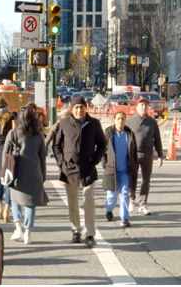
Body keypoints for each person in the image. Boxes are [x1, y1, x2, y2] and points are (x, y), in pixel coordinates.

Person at [52, 96, 106, 248]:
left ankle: (90, 233)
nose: (79, 110)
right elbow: (56, 145)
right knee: (73, 202)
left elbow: (102, 143)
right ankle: (76, 230)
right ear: (71, 108)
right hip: (70, 169)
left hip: (88, 168)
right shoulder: (64, 123)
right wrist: (62, 163)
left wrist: (94, 160)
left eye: (81, 107)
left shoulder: (93, 123)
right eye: (76, 107)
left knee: (88, 199)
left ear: (86, 108)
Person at [4, 106, 47, 245]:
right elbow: (43, 158)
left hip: (16, 172)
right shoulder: (39, 136)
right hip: (34, 172)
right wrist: (43, 176)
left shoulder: (13, 133)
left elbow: (6, 154)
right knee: (30, 203)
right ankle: (28, 231)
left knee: (14, 199)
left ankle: (18, 227)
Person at [125, 98, 164, 215]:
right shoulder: (130, 121)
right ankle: (132, 199)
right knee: (132, 179)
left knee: (146, 180)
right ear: (137, 107)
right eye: (141, 105)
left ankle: (142, 203)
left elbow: (157, 139)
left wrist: (160, 155)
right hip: (133, 155)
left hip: (147, 155)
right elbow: (125, 138)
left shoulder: (152, 122)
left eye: (145, 105)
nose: (143, 107)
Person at [102, 111, 138, 228]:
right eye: (118, 118)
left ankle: (125, 218)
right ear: (114, 120)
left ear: (125, 120)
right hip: (112, 169)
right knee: (112, 195)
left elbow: (134, 152)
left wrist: (134, 166)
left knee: (125, 194)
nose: (120, 121)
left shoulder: (129, 134)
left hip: (125, 170)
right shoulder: (109, 133)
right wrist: (105, 164)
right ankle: (109, 209)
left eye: (123, 118)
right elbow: (102, 150)